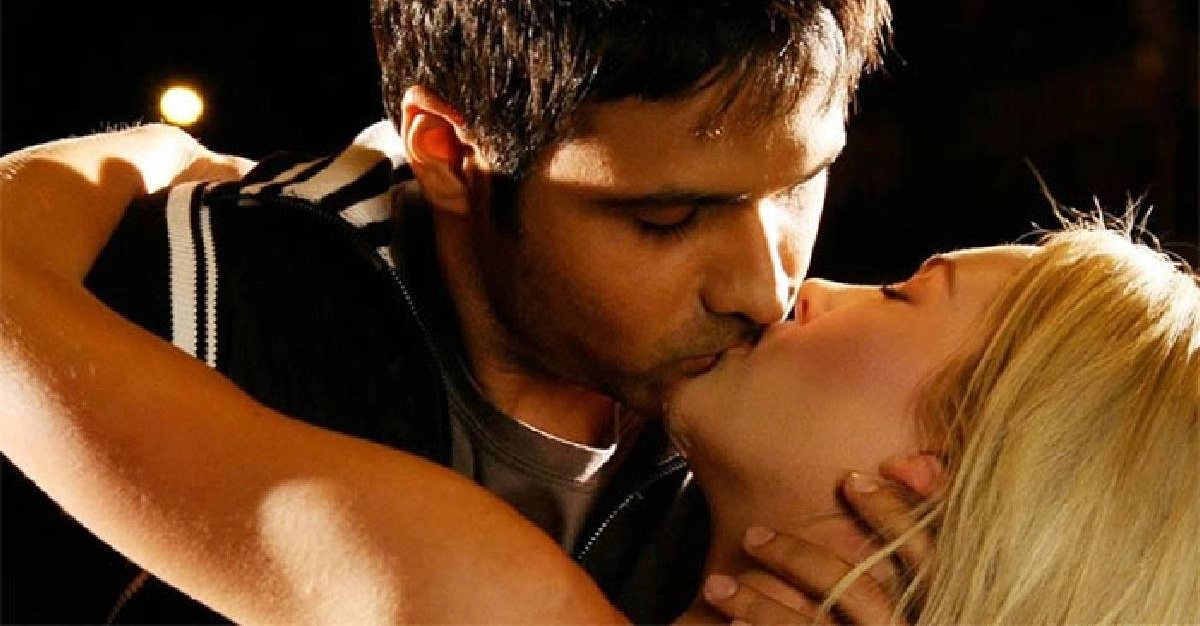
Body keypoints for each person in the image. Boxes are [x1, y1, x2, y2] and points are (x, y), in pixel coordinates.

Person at [0, 0, 914, 622]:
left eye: (800, 184)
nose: (765, 286)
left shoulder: (802, 423)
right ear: (446, 151)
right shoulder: (198, 300)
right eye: (666, 219)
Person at [4, 210, 1195, 624]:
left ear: (951, 474)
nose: (797, 284)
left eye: (901, 292)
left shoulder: (485, 595)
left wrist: (132, 157)